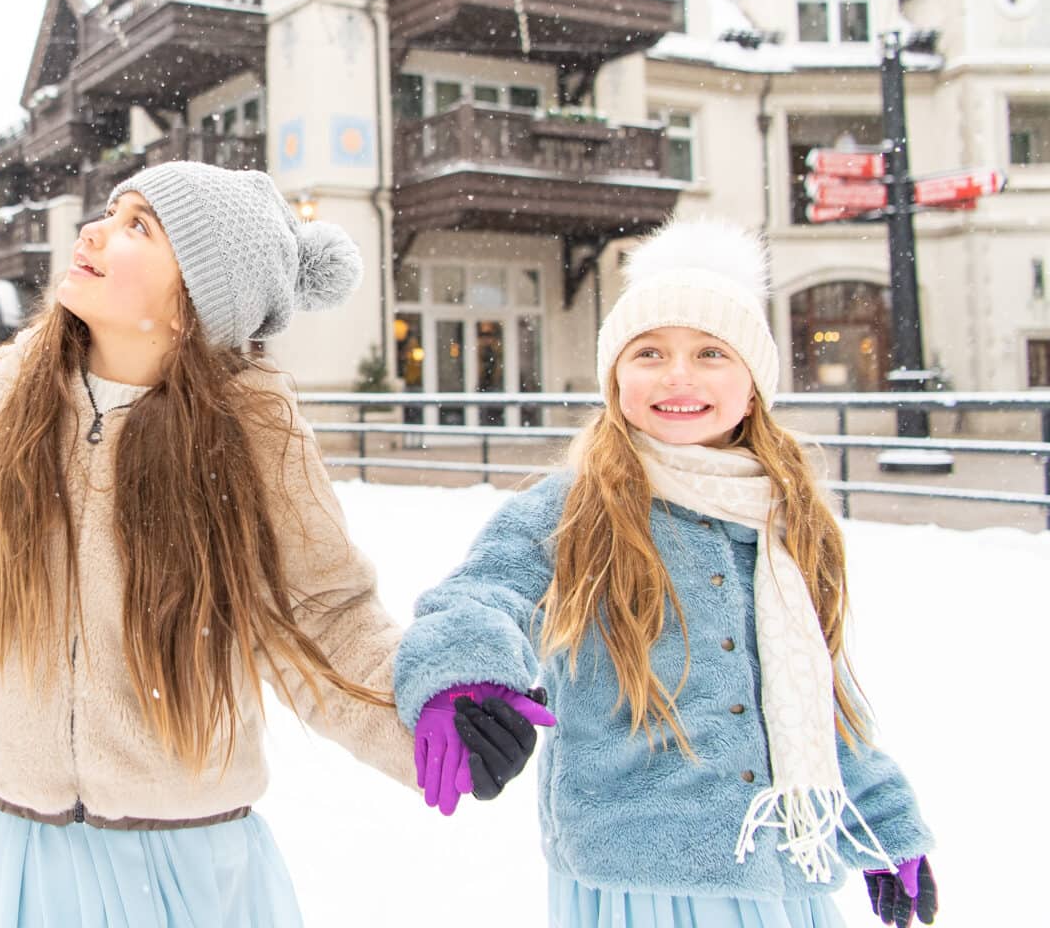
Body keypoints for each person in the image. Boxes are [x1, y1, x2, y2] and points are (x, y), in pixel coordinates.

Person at [0, 162, 417, 925]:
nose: (95, 231)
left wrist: (428, 718)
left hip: (185, 855)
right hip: (29, 843)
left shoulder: (251, 429)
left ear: (192, 304)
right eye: (110, 212)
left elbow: (324, 614)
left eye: (139, 225)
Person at [393, 220, 937, 928]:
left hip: (786, 866)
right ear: (616, 379)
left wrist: (884, 824)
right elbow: (479, 595)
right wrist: (467, 676)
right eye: (649, 352)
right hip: (641, 875)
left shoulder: (783, 518)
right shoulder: (576, 505)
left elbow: (814, 697)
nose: (678, 375)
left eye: (711, 352)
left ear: (753, 390)